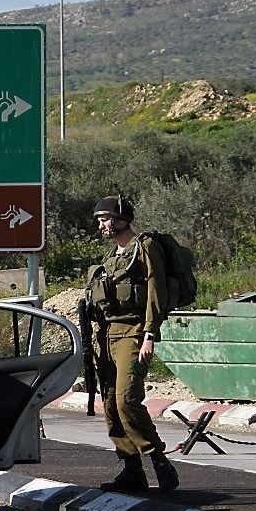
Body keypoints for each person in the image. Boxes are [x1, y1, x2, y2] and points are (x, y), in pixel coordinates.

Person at [87, 196, 180, 493]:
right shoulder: (111, 256)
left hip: (134, 332)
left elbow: (156, 291)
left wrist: (150, 334)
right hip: (107, 336)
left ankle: (159, 461)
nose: (101, 224)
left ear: (121, 218)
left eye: (105, 218)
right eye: (100, 219)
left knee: (127, 401)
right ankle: (131, 469)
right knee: (111, 406)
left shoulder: (145, 247)